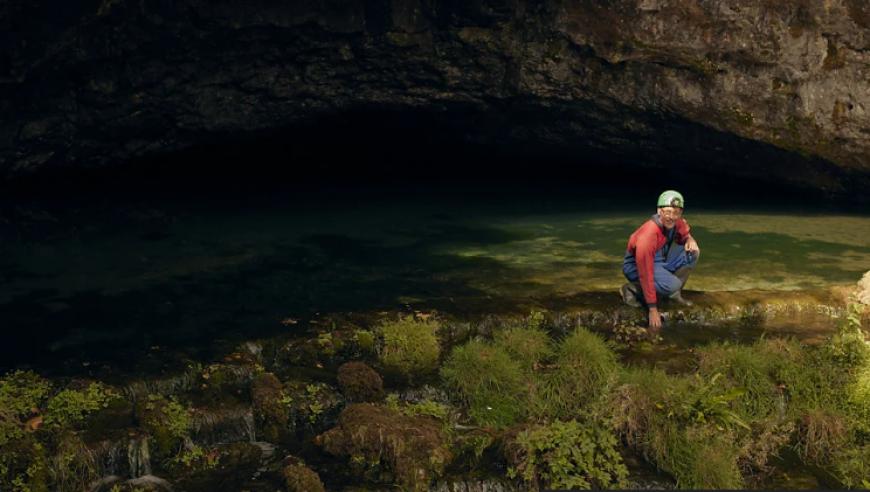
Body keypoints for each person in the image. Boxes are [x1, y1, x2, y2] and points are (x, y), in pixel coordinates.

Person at [621, 190, 700, 335]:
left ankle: (673, 294)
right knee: (673, 284)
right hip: (636, 265)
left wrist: (690, 240)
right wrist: (652, 308)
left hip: (660, 259)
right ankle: (632, 288)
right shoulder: (648, 235)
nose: (671, 217)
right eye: (667, 212)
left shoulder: (677, 222)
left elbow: (684, 234)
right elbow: (645, 272)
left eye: (676, 213)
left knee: (693, 253)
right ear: (659, 211)